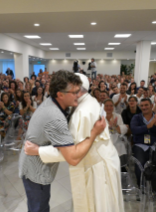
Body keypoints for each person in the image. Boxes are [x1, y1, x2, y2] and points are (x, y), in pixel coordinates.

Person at [23, 73, 124, 212]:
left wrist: (38, 151)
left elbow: (71, 152)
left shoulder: (82, 112)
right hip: (99, 160)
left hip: (97, 167)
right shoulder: (89, 101)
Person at [130, 98, 156, 186]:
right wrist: (148, 126)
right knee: (140, 165)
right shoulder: (136, 117)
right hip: (140, 146)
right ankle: (142, 188)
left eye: (146, 105)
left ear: (151, 106)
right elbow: (134, 130)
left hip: (155, 146)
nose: (144, 107)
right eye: (142, 105)